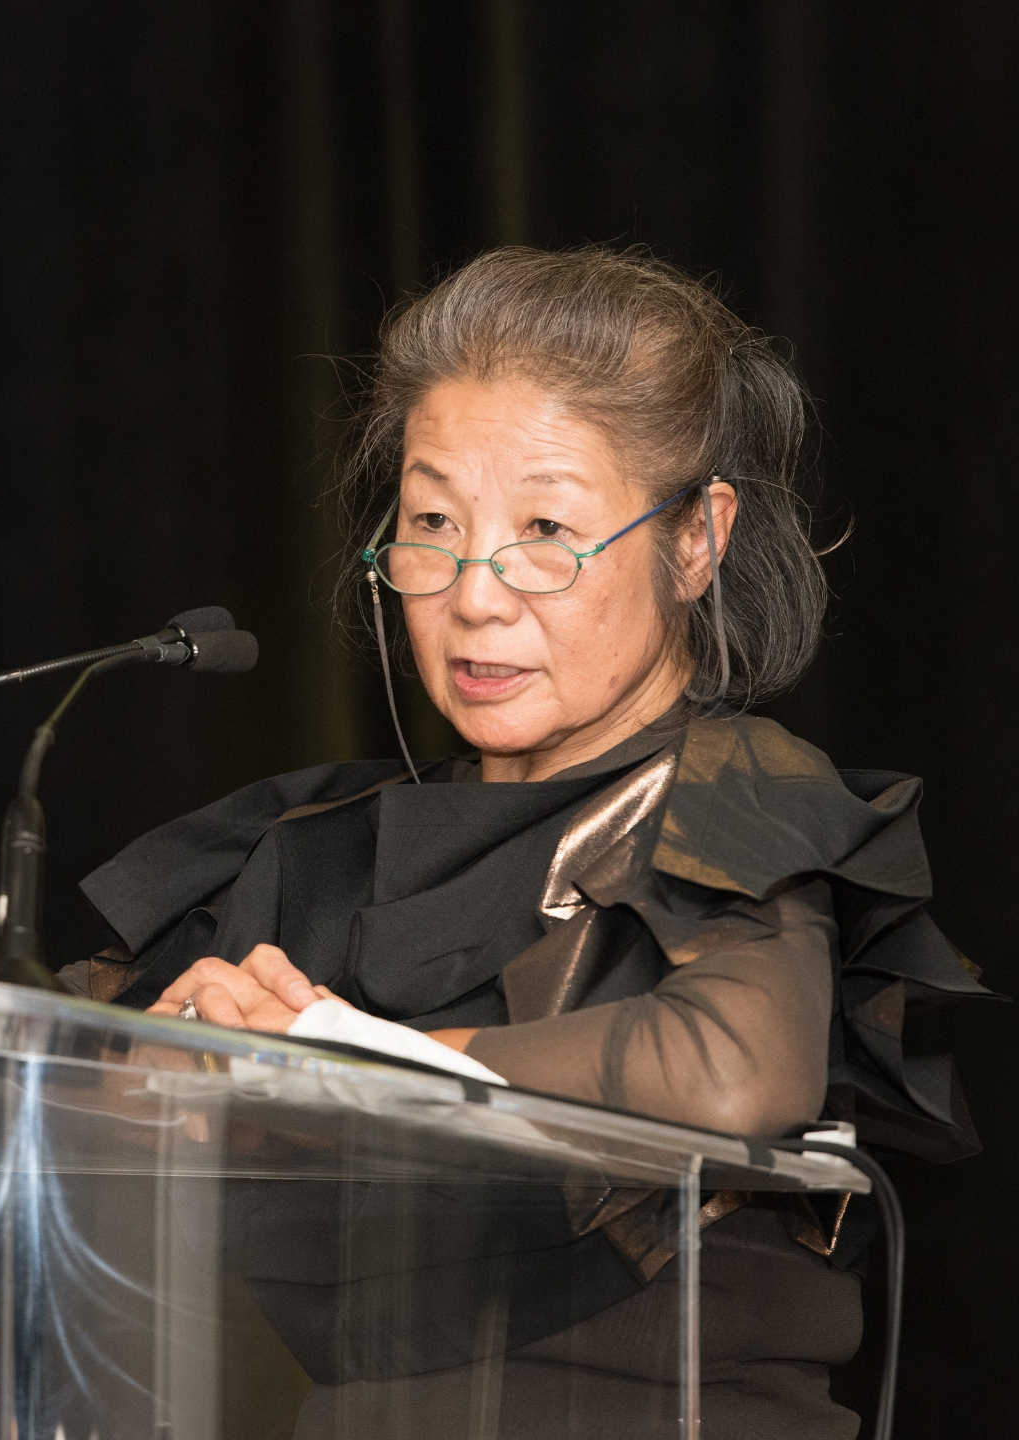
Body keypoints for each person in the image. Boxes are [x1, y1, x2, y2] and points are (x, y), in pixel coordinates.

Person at [61, 247, 989, 1438]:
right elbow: (61, 1077)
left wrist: (341, 1056)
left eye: (546, 528)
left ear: (697, 539)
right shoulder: (312, 845)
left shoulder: (737, 788)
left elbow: (728, 1069)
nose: (477, 594)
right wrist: (161, 1066)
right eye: (432, 522)